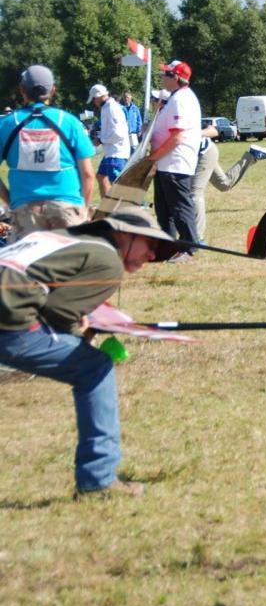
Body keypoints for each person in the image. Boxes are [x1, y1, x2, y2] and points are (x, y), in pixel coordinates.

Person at [0, 206, 181, 496]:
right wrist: (80, 334)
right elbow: (59, 313)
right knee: (94, 368)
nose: (151, 256)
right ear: (124, 234)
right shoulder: (107, 260)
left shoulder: (63, 238)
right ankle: (98, 479)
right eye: (151, 245)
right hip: (10, 326)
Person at [0, 65, 94, 238]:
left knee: (28, 264)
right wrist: (84, 209)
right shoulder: (69, 122)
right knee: (69, 263)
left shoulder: (6, 124)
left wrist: (11, 200)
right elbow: (87, 173)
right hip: (67, 207)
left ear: (22, 90)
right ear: (53, 91)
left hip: (25, 210)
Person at [148, 61, 201, 254]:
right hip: (166, 163)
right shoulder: (174, 98)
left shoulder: (182, 100)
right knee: (164, 210)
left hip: (175, 162)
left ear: (176, 78)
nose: (162, 77)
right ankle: (167, 246)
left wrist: (154, 157)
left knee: (180, 208)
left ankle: (188, 248)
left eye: (166, 75)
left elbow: (177, 137)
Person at [192, 127, 266, 242]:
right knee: (224, 184)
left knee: (194, 193)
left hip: (203, 153)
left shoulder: (179, 111)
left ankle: (196, 238)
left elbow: (214, 130)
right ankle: (252, 156)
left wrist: (194, 133)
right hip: (197, 155)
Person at [89, 84, 130, 199]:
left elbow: (119, 133)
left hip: (117, 153)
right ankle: (106, 207)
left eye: (93, 99)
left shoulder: (112, 108)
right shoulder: (107, 107)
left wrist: (101, 139)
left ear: (98, 97)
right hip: (110, 153)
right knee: (100, 176)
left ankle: (123, 211)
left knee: (117, 186)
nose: (93, 102)